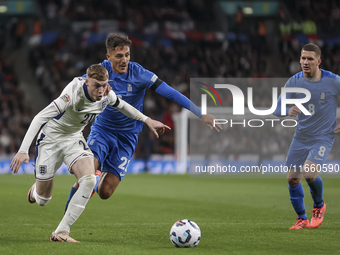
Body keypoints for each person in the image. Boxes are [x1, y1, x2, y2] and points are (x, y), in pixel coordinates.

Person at [10, 64, 170, 242]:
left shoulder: (106, 94)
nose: (101, 90)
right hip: (51, 140)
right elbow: (40, 117)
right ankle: (35, 191)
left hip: (73, 139)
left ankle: (61, 232)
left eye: (104, 85)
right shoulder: (72, 94)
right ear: (86, 82)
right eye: (97, 85)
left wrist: (148, 120)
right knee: (42, 200)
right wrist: (23, 150)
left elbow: (123, 106)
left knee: (89, 179)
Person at [64, 33, 221, 211]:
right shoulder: (100, 73)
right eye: (119, 56)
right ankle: (64, 227)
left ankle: (97, 176)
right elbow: (79, 92)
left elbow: (171, 93)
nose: (124, 60)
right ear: (108, 57)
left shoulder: (140, 74)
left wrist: (200, 114)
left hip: (127, 138)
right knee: (86, 176)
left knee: (105, 192)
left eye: (127, 55)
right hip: (102, 131)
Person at [273, 43, 340, 229]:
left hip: (323, 137)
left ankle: (319, 206)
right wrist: (288, 110)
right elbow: (276, 108)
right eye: (303, 58)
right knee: (293, 178)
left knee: (309, 173)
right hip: (301, 136)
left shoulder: (333, 81)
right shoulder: (294, 81)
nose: (305, 62)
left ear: (319, 61)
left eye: (310, 58)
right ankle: (301, 219)